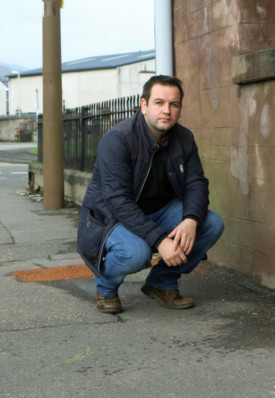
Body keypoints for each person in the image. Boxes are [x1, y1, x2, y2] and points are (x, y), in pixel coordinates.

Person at [76, 75, 224, 314]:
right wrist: (159, 240)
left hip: (160, 211)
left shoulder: (184, 138)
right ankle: (106, 287)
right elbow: (117, 202)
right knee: (136, 252)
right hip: (110, 219)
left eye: (173, 104)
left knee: (211, 223)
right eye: (159, 103)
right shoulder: (118, 140)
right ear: (144, 105)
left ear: (180, 109)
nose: (166, 110)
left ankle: (162, 282)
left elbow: (197, 182)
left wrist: (191, 220)